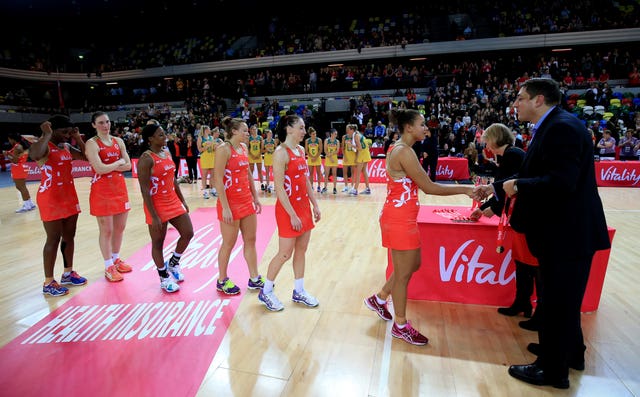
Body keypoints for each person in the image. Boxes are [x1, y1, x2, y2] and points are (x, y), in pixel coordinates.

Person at [493, 78, 610, 389]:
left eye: (520, 98)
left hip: (565, 233)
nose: (515, 104)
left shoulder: (561, 128)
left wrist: (519, 185)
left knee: (557, 301)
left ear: (539, 99)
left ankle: (551, 369)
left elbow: (561, 181)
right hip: (565, 232)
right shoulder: (558, 125)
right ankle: (569, 353)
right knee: (563, 300)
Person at [363, 109, 478, 346]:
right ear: (408, 128)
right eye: (422, 124)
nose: (426, 128)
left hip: (403, 215)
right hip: (398, 218)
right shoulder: (403, 151)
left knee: (413, 264)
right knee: (404, 274)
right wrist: (465, 189)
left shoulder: (405, 149)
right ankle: (401, 325)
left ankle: (380, 298)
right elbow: (429, 187)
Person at [469, 124, 541, 327]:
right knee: (522, 263)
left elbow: (512, 187)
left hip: (527, 216)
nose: (485, 144)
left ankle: (533, 309)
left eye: (486, 140)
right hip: (520, 217)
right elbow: (503, 189)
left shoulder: (514, 154)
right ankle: (522, 303)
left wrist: (490, 207)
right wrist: (485, 206)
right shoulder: (509, 155)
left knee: (531, 265)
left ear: (495, 138)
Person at [258, 114, 321, 311]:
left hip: (303, 208)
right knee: (285, 253)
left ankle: (299, 290)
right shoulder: (280, 153)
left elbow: (306, 181)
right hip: (288, 210)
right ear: (289, 129)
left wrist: (315, 204)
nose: (304, 131)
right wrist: (292, 214)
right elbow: (279, 188)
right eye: (301, 128)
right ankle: (266, 291)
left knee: (301, 251)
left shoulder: (301, 150)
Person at [28, 115, 88, 296]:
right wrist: (45, 134)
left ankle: (68, 273)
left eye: (69, 132)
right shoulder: (44, 147)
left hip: (69, 196)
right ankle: (48, 282)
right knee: (53, 239)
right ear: (52, 130)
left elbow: (86, 157)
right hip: (51, 198)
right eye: (63, 132)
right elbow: (35, 154)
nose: (66, 136)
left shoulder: (67, 147)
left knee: (69, 236)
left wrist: (78, 139)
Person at [137, 123, 194, 292]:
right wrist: (153, 216)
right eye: (160, 135)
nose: (165, 137)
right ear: (150, 139)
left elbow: (173, 179)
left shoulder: (166, 152)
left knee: (188, 233)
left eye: (164, 134)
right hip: (156, 205)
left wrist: (182, 200)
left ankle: (173, 263)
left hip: (172, 201)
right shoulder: (146, 159)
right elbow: (145, 190)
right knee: (158, 242)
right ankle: (163, 277)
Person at [214, 117, 264, 295]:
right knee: (228, 243)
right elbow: (217, 180)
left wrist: (255, 197)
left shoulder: (243, 148)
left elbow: (248, 173)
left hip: (245, 201)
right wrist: (225, 207)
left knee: (250, 240)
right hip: (230, 203)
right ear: (234, 131)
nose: (247, 133)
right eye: (244, 130)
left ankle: (254, 278)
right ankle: (222, 280)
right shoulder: (223, 150)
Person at [84, 111, 133, 283]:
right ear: (93, 125)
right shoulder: (92, 144)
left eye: (107, 122)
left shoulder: (118, 141)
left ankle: (116, 259)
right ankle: (108, 266)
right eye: (100, 123)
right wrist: (117, 163)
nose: (105, 126)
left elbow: (127, 165)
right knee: (107, 230)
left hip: (119, 189)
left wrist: (112, 166)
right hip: (102, 191)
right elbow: (99, 169)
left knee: (120, 228)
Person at [4, 132, 36, 213]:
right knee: (21, 187)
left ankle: (27, 205)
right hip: (20, 168)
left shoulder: (17, 147)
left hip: (19, 168)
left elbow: (15, 160)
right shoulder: (18, 146)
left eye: (9, 140)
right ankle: (30, 203)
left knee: (21, 187)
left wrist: (7, 154)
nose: (9, 141)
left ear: (12, 139)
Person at [197, 125, 215, 198]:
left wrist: (215, 146)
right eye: (209, 129)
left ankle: (212, 190)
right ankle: (205, 192)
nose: (210, 130)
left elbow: (213, 148)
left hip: (212, 157)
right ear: (205, 130)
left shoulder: (211, 138)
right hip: (204, 158)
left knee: (213, 176)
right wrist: (206, 146)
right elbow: (199, 150)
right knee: (204, 176)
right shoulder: (200, 138)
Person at [353, 127, 372, 195]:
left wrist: (351, 145)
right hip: (366, 153)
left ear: (352, 130)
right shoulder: (359, 134)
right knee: (364, 171)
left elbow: (360, 148)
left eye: (348, 130)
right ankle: (367, 189)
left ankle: (355, 190)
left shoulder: (356, 135)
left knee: (358, 172)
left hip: (363, 154)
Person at [305, 126, 324, 193]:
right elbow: (306, 150)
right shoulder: (307, 141)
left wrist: (315, 157)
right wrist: (311, 157)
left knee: (319, 173)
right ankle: (311, 186)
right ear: (310, 134)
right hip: (310, 158)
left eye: (315, 134)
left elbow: (321, 150)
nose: (314, 135)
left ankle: (319, 186)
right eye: (313, 134)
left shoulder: (319, 140)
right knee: (311, 173)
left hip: (317, 157)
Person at [323, 128, 340, 194]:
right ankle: (325, 187)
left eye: (336, 134)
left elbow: (337, 150)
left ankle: (334, 188)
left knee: (334, 174)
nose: (336, 135)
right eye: (335, 134)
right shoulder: (327, 140)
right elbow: (325, 150)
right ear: (331, 134)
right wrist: (330, 157)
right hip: (328, 158)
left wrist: (331, 155)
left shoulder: (337, 141)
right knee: (326, 174)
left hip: (334, 159)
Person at [341, 124, 358, 193]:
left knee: (353, 172)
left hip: (353, 155)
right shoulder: (344, 137)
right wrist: (344, 156)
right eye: (346, 128)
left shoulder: (355, 137)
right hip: (346, 156)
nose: (347, 130)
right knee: (344, 172)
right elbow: (343, 148)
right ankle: (346, 186)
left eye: (348, 128)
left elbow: (357, 148)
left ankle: (352, 186)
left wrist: (356, 158)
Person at [247, 124, 264, 191]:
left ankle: (262, 184)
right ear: (251, 130)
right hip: (251, 156)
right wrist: (252, 155)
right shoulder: (249, 138)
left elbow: (262, 147)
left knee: (260, 171)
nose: (254, 130)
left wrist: (259, 154)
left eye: (255, 129)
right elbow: (248, 147)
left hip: (258, 155)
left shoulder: (260, 137)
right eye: (253, 129)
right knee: (251, 171)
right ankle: (250, 185)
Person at [262, 128, 276, 193]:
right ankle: (267, 185)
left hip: (273, 157)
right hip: (267, 157)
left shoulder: (274, 141)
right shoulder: (264, 141)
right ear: (267, 134)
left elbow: (276, 149)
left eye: (271, 133)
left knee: (274, 172)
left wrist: (273, 151)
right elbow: (262, 150)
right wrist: (267, 150)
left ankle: (276, 186)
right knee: (267, 172)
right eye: (269, 133)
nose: (270, 134)